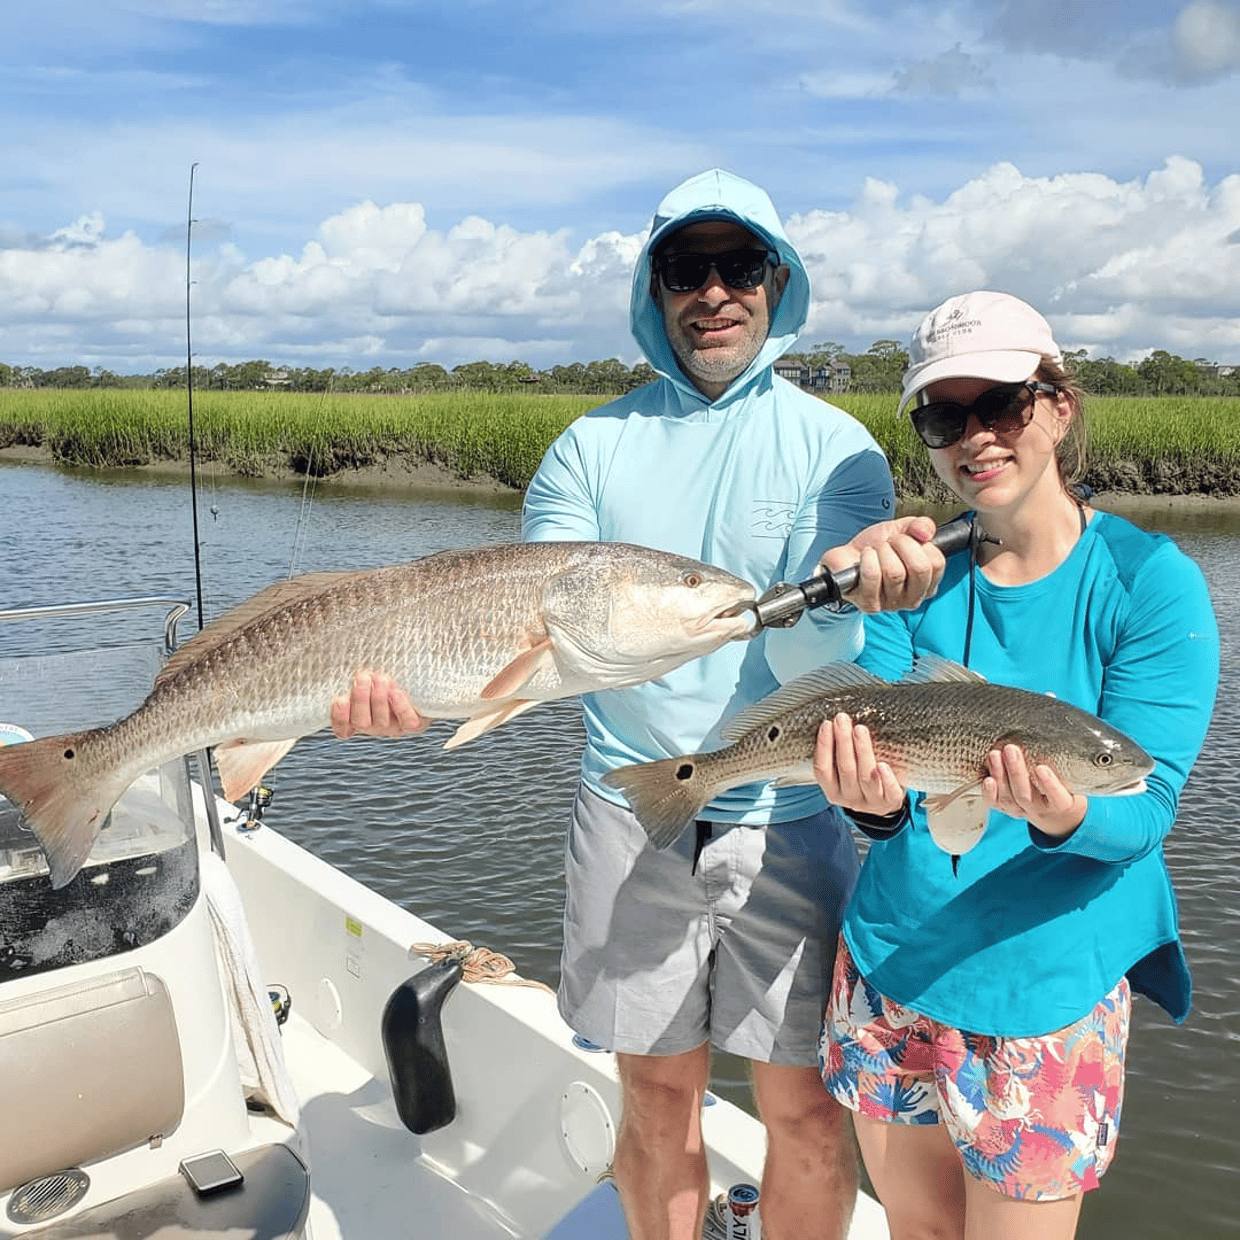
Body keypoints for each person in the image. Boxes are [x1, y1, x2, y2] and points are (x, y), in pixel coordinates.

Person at [333, 168, 937, 1240]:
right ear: (653, 291)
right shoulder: (587, 447)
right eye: (684, 268)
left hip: (793, 817)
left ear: (777, 280)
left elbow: (821, 652)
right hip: (626, 813)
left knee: (805, 1113)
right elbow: (531, 638)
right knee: (656, 1099)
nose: (713, 292)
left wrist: (851, 591)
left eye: (738, 265)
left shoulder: (837, 447)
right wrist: (416, 694)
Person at [811, 290, 1220, 1240]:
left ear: (1059, 407)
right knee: (916, 1228)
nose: (976, 438)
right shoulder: (911, 579)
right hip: (892, 960)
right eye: (944, 418)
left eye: (1001, 404)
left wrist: (1063, 813)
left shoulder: (1151, 584)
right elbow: (885, 802)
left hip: (1047, 989)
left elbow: (1146, 806)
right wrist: (868, 804)